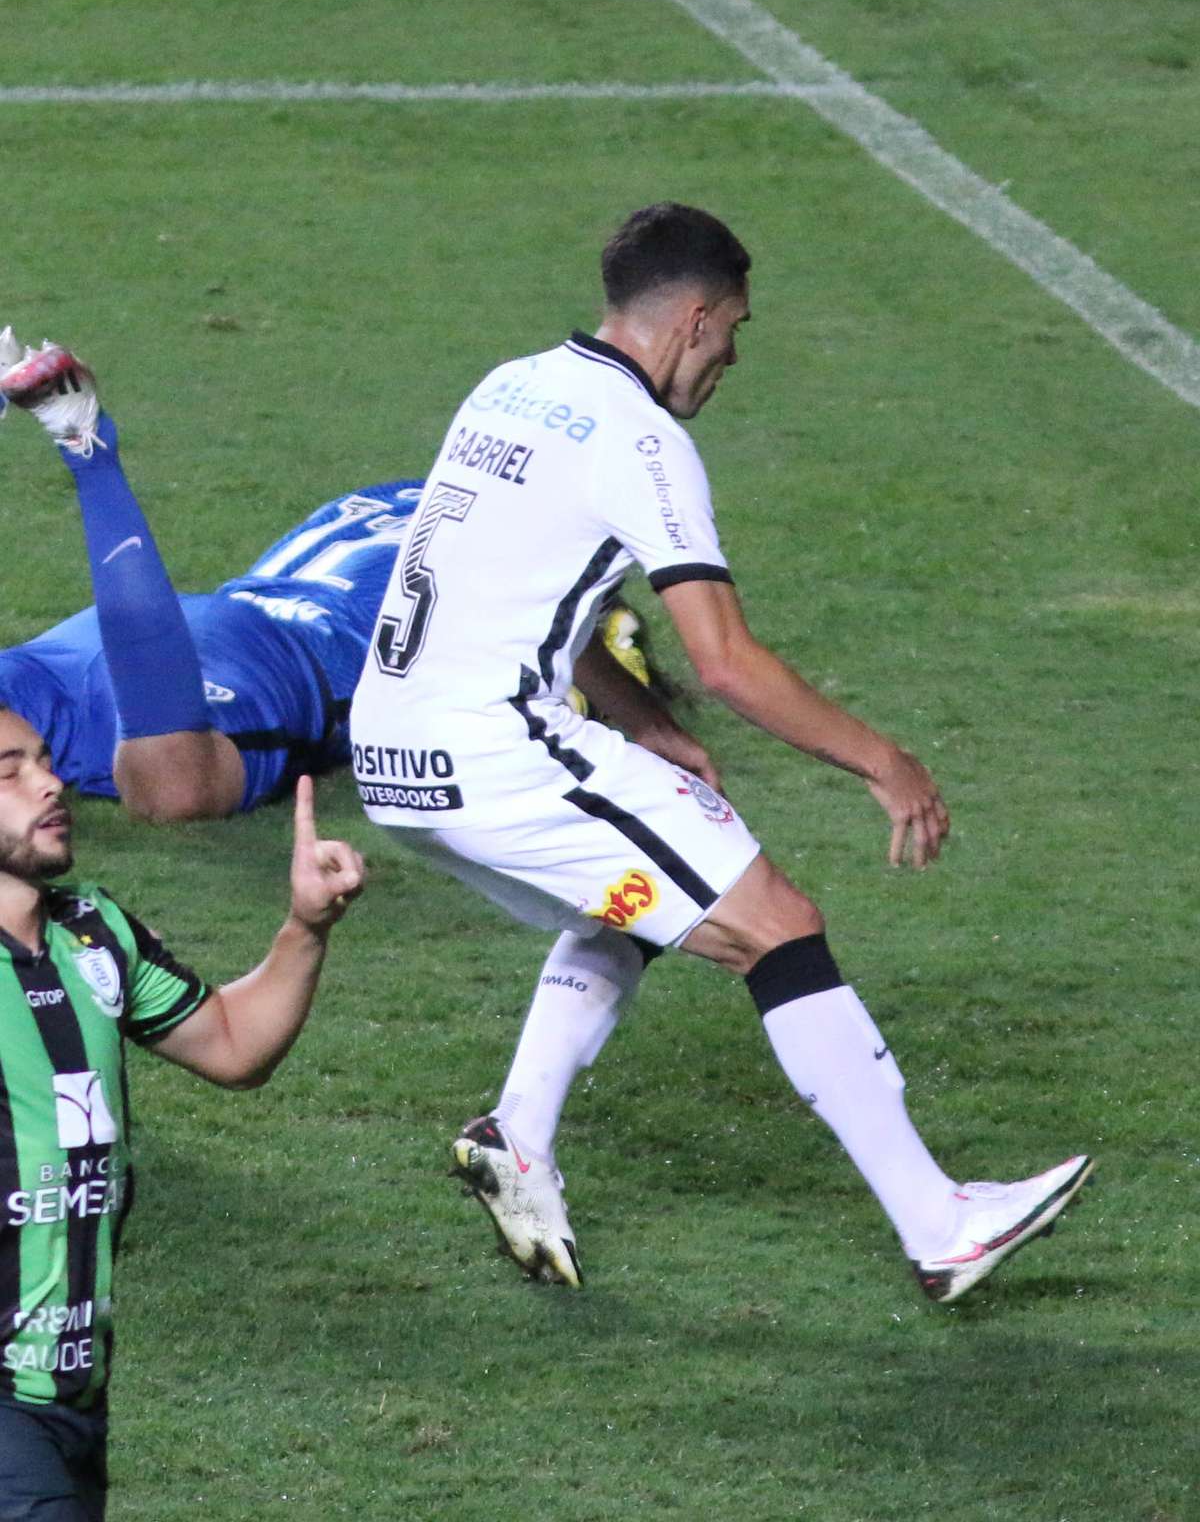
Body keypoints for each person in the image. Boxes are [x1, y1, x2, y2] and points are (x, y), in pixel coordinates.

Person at [349, 201, 1092, 1304]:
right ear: (693, 317)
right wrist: (887, 762)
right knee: (777, 924)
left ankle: (518, 1134)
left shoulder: (510, 384)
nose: (735, 356)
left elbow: (533, 580)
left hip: (388, 743)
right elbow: (729, 659)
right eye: (735, 328)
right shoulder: (642, 438)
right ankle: (941, 1225)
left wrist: (645, 725)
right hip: (492, 745)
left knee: (636, 897)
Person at [0, 332, 659, 823]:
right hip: (221, 624)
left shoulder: (438, 536)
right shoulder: (418, 516)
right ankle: (83, 442)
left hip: (285, 649)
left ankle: (86, 445)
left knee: (175, 789)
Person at [0, 702, 364, 1519]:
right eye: (9, 772)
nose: (51, 784)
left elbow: (234, 1046)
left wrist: (306, 926)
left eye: (45, 760)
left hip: (73, 1390)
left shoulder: (92, 932)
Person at [0, 328, 425, 821]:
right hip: (340, 628)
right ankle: (86, 440)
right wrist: (87, 453)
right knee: (171, 787)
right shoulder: (172, 778)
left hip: (268, 591)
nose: (48, 785)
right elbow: (146, 659)